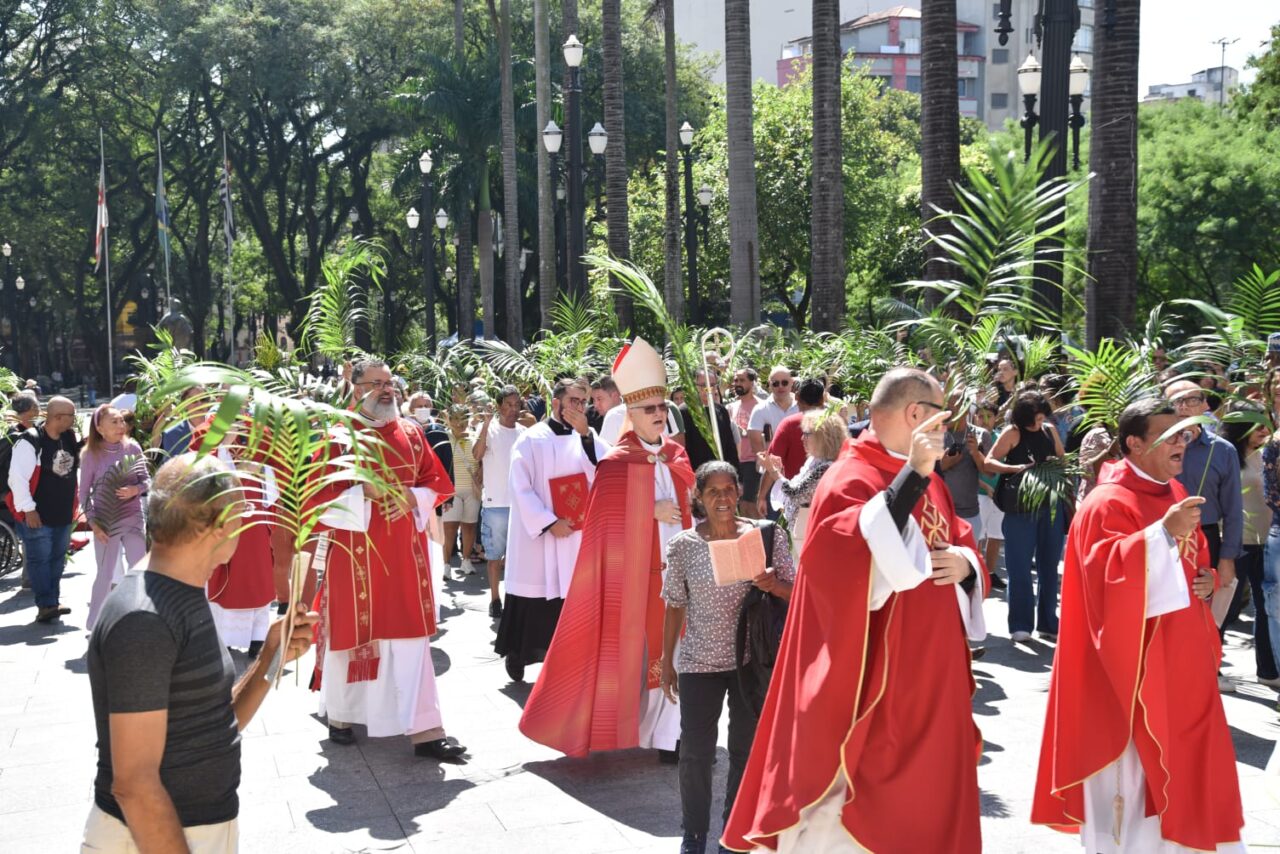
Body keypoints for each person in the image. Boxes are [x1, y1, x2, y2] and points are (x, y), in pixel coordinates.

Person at [722, 367, 987, 853]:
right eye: (943, 415)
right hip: (873, 689)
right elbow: (847, 561)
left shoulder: (931, 481)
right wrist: (912, 479)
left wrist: (967, 566)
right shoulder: (851, 477)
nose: (949, 428)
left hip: (932, 679)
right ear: (916, 416)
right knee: (850, 823)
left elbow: (957, 540)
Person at [1032, 398, 1245, 852]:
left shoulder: (1171, 493)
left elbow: (1189, 561)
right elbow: (1104, 583)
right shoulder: (1106, 502)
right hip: (1131, 680)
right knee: (1135, 785)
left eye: (1185, 435)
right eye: (1170, 435)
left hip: (1183, 666)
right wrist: (1161, 535)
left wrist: (1203, 578)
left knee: (1192, 769)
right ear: (1134, 442)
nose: (1182, 444)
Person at [82, 453, 316, 853]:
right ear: (222, 525)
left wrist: (268, 660)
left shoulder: (182, 593)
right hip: (151, 836)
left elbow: (210, 723)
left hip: (196, 827)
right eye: (244, 516)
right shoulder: (144, 616)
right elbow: (134, 784)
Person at [520, 338, 694, 760]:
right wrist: (649, 509)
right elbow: (602, 522)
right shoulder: (616, 464)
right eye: (649, 410)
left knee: (678, 645)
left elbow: (691, 505)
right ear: (630, 416)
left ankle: (671, 735)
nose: (658, 416)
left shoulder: (677, 455)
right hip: (635, 575)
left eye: (662, 409)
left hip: (678, 570)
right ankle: (635, 726)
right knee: (638, 653)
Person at [310, 359, 465, 761]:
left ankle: (426, 732)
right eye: (376, 383)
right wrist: (365, 495)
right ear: (356, 387)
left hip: (404, 559)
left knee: (412, 641)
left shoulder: (412, 433)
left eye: (389, 383)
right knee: (355, 640)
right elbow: (314, 496)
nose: (386, 389)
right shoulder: (338, 436)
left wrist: (411, 498)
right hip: (355, 557)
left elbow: (438, 482)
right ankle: (343, 716)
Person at [659, 461, 796, 854]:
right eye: (712, 491)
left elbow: (798, 589)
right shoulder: (683, 545)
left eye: (729, 489)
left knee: (744, 750)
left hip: (750, 662)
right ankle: (694, 833)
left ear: (739, 493)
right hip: (699, 664)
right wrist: (668, 661)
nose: (722, 498)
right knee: (695, 754)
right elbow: (674, 606)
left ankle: (732, 834)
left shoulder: (766, 537)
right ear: (698, 498)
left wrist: (774, 583)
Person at [496, 377, 604, 682]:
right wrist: (547, 522)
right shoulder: (532, 439)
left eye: (583, 402)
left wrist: (586, 438)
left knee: (568, 598)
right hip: (540, 538)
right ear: (555, 403)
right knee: (535, 598)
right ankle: (518, 655)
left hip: (574, 534)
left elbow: (606, 469)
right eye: (573, 401)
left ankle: (567, 661)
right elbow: (519, 486)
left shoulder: (586, 436)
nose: (579, 408)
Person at [1167, 380, 1243, 691]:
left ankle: (1208, 669)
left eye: (1191, 400)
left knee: (1208, 610)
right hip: (1166, 535)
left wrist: (1227, 559)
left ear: (1204, 406)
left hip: (1206, 536)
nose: (1184, 407)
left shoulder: (1222, 451)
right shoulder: (1159, 447)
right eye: (1176, 401)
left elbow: (1234, 510)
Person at [987, 390, 1066, 642]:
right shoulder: (1013, 432)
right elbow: (989, 462)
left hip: (1049, 504)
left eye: (1042, 418)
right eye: (1035, 418)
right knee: (1019, 566)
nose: (1038, 423)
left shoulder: (1049, 430)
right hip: (1020, 507)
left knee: (1049, 565)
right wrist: (1015, 468)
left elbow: (1062, 459)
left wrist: (1052, 466)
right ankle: (1020, 624)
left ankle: (1048, 622)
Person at [6, 395, 81, 623]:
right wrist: (29, 510)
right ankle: (46, 604)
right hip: (37, 514)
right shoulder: (30, 440)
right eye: (71, 416)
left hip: (63, 512)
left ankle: (52, 602)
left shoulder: (68, 436)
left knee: (58, 559)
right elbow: (17, 479)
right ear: (57, 417)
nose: (74, 420)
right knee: (39, 560)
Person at [80, 404, 149, 631]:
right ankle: (95, 624)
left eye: (122, 421)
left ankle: (140, 619)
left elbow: (147, 480)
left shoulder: (133, 448)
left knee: (139, 569)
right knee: (106, 573)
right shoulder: (91, 454)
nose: (121, 426)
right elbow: (83, 494)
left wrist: (135, 490)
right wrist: (94, 523)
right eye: (114, 422)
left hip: (133, 517)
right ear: (100, 428)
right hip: (105, 521)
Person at [1225, 402, 1280, 689]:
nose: (1262, 429)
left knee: (1266, 608)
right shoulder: (1226, 456)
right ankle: (1210, 668)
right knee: (1225, 609)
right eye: (1256, 424)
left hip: (1266, 542)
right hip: (1235, 543)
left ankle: (1268, 671)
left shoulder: (1269, 453)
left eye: (1265, 423)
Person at [473, 385, 526, 619]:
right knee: (494, 556)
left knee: (517, 558)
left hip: (521, 505)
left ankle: (515, 598)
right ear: (499, 406)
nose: (513, 409)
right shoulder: (489, 429)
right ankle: (495, 599)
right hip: (495, 504)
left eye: (517, 405)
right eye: (508, 405)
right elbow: (476, 454)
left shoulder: (525, 432)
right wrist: (485, 424)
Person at [760, 408, 844, 542]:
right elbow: (793, 488)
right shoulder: (814, 461)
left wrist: (773, 472)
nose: (802, 438)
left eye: (806, 434)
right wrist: (779, 470)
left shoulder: (826, 467)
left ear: (822, 436)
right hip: (802, 531)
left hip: (812, 534)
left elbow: (796, 493)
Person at [756, 378, 823, 518]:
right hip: (826, 500)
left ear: (797, 396)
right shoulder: (835, 424)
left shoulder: (789, 425)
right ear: (822, 399)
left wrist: (761, 497)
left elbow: (772, 463)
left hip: (796, 501)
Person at [939, 399, 991, 546]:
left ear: (967, 410)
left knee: (967, 564)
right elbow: (923, 473)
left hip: (969, 514)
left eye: (957, 409)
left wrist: (975, 452)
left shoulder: (981, 435)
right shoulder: (936, 433)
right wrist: (943, 466)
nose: (952, 413)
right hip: (939, 513)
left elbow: (989, 473)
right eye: (949, 408)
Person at [441, 405, 481, 573]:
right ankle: (446, 565)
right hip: (452, 491)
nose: (459, 423)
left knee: (469, 526)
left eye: (463, 418)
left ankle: (466, 561)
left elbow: (480, 461)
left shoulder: (475, 437)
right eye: (455, 418)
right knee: (450, 529)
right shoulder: (443, 438)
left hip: (472, 491)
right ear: (448, 419)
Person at [680, 368, 740, 474]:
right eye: (703, 385)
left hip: (721, 472)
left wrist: (737, 476)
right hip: (697, 473)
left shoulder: (721, 410)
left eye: (712, 385)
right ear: (694, 386)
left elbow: (730, 447)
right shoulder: (684, 412)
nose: (709, 389)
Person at [725, 367, 762, 517]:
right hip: (735, 462)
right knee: (737, 504)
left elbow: (767, 434)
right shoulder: (730, 407)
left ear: (752, 383)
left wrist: (746, 433)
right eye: (735, 380)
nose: (738, 383)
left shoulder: (761, 406)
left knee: (750, 505)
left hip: (753, 462)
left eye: (742, 380)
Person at [746, 366, 797, 468]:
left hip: (798, 464)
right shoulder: (760, 409)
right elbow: (755, 441)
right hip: (771, 468)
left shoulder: (802, 405)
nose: (780, 386)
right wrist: (769, 465)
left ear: (792, 382)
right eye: (775, 383)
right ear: (770, 385)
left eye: (784, 382)